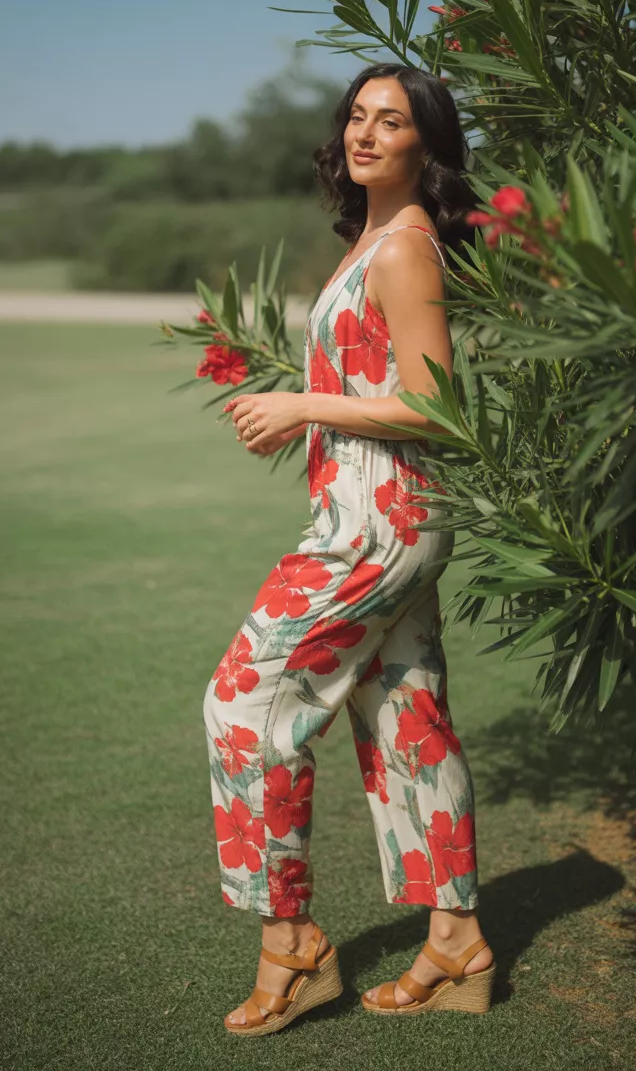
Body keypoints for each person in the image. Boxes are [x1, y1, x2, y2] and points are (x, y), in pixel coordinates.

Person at [202, 63, 495, 1036]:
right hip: (379, 513)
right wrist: (313, 413)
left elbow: (437, 409)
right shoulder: (371, 237)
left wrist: (300, 403)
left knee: (246, 702)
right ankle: (457, 944)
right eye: (359, 116)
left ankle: (292, 944)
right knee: (406, 714)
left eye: (395, 121)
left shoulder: (404, 248)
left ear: (427, 145)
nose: (368, 133)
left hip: (380, 523)